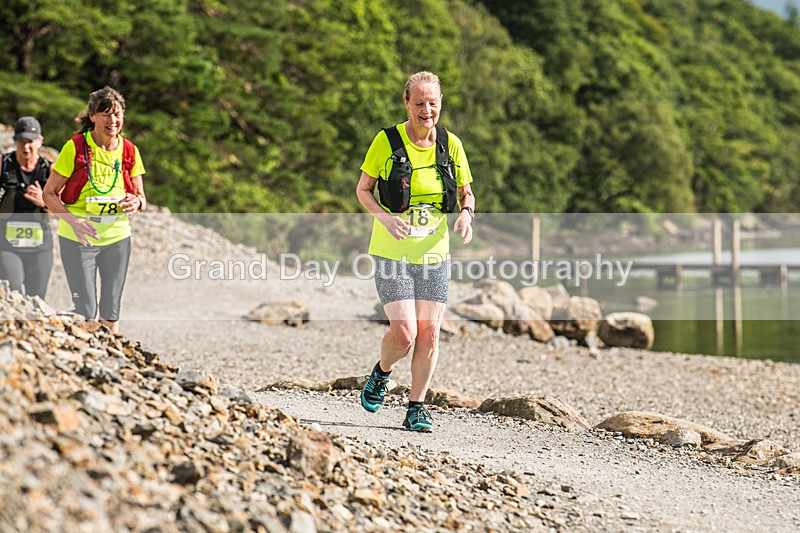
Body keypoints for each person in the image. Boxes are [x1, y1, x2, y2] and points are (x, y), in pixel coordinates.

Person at [355, 71, 475, 432]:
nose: (427, 110)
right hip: (392, 251)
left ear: (440, 104)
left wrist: (467, 215)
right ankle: (381, 373)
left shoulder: (450, 144)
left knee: (430, 333)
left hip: (435, 252)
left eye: (433, 103)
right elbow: (363, 190)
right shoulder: (386, 141)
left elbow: (466, 193)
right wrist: (384, 218)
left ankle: (416, 407)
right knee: (405, 333)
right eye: (419, 102)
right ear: (406, 102)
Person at [43, 86, 146, 333]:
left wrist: (137, 203)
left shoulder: (130, 150)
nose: (113, 120)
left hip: (118, 238)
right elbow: (49, 194)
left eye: (117, 114)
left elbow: (142, 198)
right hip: (79, 239)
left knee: (111, 311)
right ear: (92, 116)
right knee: (86, 312)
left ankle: (113, 364)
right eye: (106, 114)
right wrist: (74, 221)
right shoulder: (75, 147)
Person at [0, 116, 54, 298]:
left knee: (37, 298)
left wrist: (44, 201)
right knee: (12, 293)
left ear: (40, 141)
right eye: (21, 141)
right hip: (6, 243)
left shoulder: (49, 170)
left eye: (31, 142)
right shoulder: (3, 164)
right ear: (15, 142)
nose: (26, 147)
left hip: (40, 245)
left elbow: (63, 213)